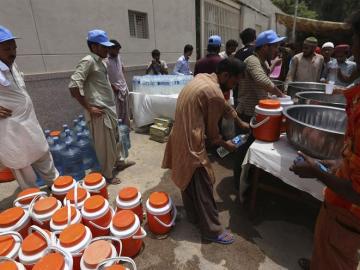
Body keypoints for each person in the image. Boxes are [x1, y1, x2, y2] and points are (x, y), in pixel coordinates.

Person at [291, 10, 360, 270]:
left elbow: (358, 193)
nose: (352, 46)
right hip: (337, 211)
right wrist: (331, 163)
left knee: (337, 256)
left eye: (355, 38)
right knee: (326, 248)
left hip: (349, 215)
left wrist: (316, 172)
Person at [162, 58, 249, 244]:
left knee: (188, 181)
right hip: (191, 143)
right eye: (234, 82)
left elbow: (223, 105)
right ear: (225, 75)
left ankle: (194, 216)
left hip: (178, 136)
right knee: (204, 186)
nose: (234, 87)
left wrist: (239, 120)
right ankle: (212, 231)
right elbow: (213, 135)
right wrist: (228, 145)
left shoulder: (203, 78)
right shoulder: (214, 93)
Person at [0, 26, 58, 189]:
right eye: (6, 48)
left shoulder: (13, 65)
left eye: (14, 47)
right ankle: (33, 202)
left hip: (30, 125)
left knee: (44, 155)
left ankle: (59, 190)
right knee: (23, 168)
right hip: (10, 131)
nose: (12, 52)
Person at [234, 30, 285, 190]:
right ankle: (238, 183)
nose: (277, 50)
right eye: (275, 46)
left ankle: (247, 179)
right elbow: (261, 79)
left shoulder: (261, 61)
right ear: (264, 47)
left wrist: (274, 64)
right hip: (246, 114)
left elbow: (264, 75)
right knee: (242, 149)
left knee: (250, 148)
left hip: (255, 114)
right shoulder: (252, 60)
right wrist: (280, 94)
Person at [69, 29, 122, 184]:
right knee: (104, 145)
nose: (107, 49)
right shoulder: (88, 61)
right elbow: (73, 86)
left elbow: (99, 81)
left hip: (108, 108)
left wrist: (111, 86)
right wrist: (89, 107)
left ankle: (116, 163)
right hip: (99, 111)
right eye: (104, 47)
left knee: (114, 140)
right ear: (94, 46)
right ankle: (107, 174)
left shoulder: (100, 62)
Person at [106, 39, 130, 126]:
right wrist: (112, 86)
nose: (118, 52)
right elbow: (105, 76)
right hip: (114, 90)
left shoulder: (118, 57)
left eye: (119, 50)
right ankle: (117, 129)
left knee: (125, 110)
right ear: (110, 49)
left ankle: (125, 127)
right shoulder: (105, 60)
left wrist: (123, 80)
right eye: (116, 50)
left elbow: (122, 68)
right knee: (117, 111)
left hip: (123, 87)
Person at [234, 28, 257, 108]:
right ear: (254, 38)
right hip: (251, 93)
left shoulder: (238, 53)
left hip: (237, 89)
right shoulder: (256, 52)